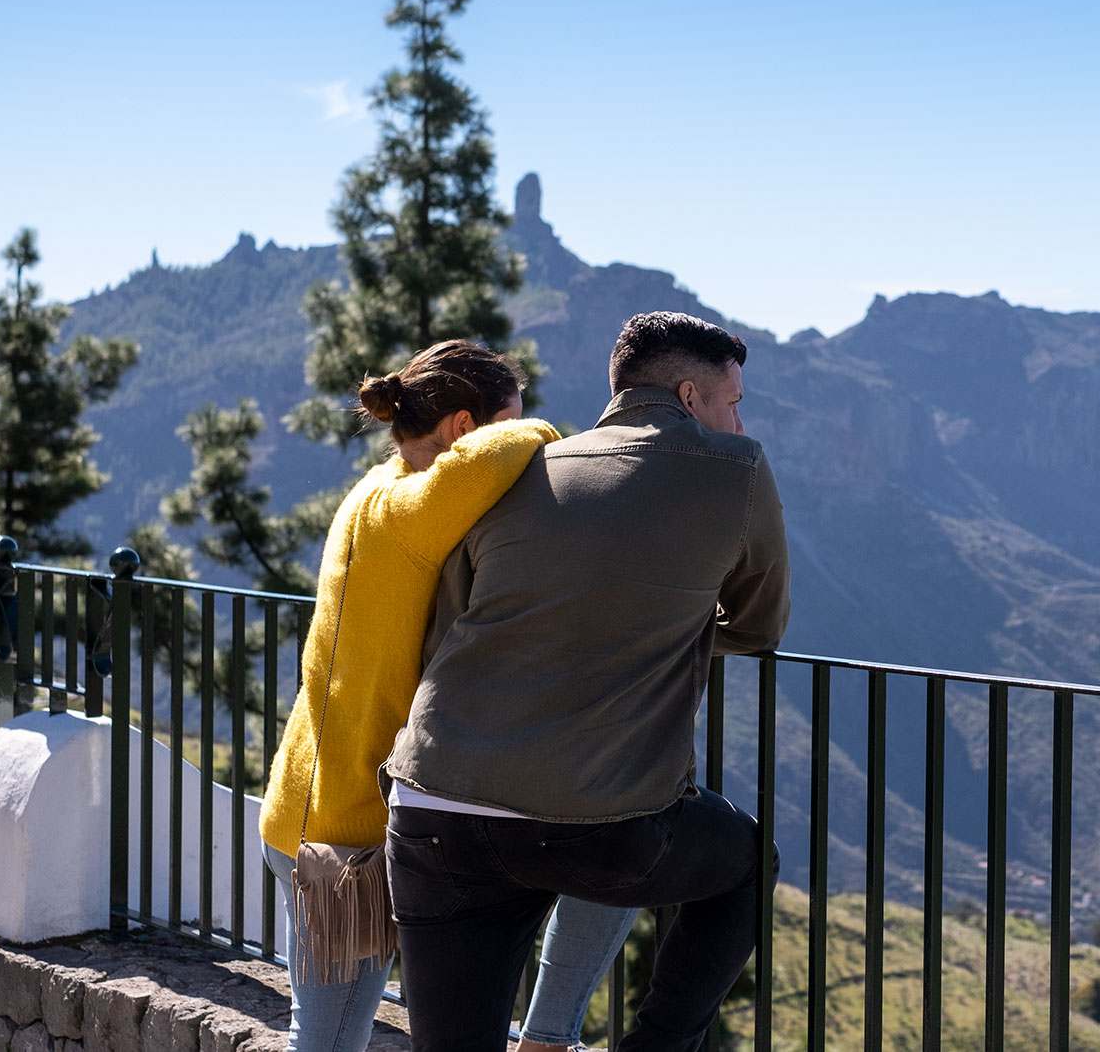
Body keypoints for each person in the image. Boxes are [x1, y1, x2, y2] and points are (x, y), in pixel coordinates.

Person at [384, 311, 791, 1052]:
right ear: (691, 396)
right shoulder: (736, 468)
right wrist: (670, 621)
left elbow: (453, 626)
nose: (740, 417)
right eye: (735, 400)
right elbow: (760, 625)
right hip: (603, 830)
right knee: (744, 862)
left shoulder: (522, 469)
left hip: (433, 807)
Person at [258, 339, 635, 1052]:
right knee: (328, 1041)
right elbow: (502, 454)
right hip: (345, 843)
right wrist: (544, 436)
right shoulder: (410, 510)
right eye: (503, 423)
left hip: (309, 811)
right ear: (463, 429)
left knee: (327, 1033)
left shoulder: (374, 490)